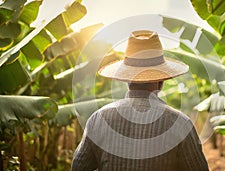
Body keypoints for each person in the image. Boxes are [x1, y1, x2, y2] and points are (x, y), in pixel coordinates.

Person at [71, 30, 209, 171]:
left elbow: (78, 168)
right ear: (161, 80)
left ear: (126, 78)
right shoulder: (180, 124)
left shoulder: (98, 119)